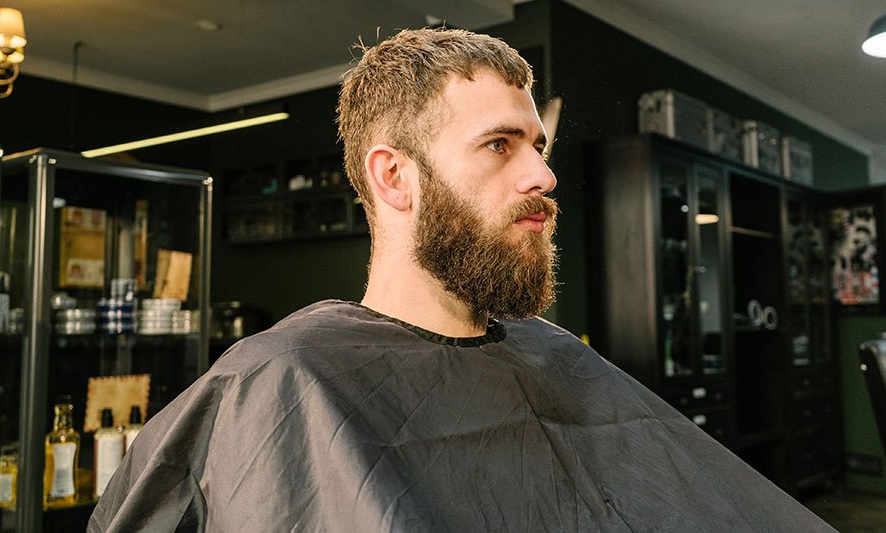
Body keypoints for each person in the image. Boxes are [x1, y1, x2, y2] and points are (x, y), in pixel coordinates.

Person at [89, 28, 833, 532]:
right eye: (500, 145)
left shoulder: (551, 352)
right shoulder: (285, 380)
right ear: (395, 177)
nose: (543, 176)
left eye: (538, 147)